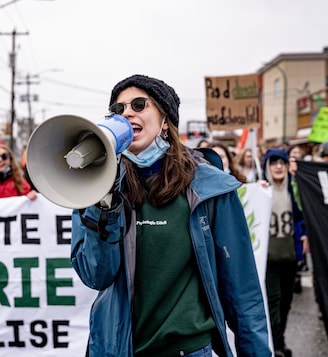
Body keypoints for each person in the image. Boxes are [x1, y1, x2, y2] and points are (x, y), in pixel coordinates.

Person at [70, 75, 270, 356]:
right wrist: (101, 204)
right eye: (117, 109)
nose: (126, 113)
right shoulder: (96, 188)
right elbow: (96, 276)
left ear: (166, 120)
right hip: (120, 349)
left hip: (188, 350)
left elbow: (242, 288)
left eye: (139, 105)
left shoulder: (209, 187)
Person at [261, 148, 307, 357]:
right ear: (267, 167)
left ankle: (280, 339)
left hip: (290, 256)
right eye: (273, 162)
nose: (278, 167)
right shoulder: (261, 190)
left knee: (286, 302)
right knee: (273, 300)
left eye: (282, 162)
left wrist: (305, 234)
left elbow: (304, 217)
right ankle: (276, 344)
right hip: (269, 258)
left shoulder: (295, 190)